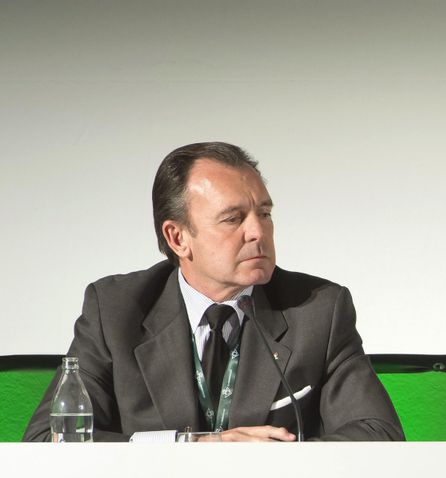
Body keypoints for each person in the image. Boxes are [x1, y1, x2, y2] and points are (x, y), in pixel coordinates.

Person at [24, 142, 402, 442]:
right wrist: (189, 446)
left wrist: (272, 458)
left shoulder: (317, 309)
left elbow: (379, 434)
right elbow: (50, 439)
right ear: (178, 238)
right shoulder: (115, 310)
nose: (257, 233)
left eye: (264, 214)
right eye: (233, 219)